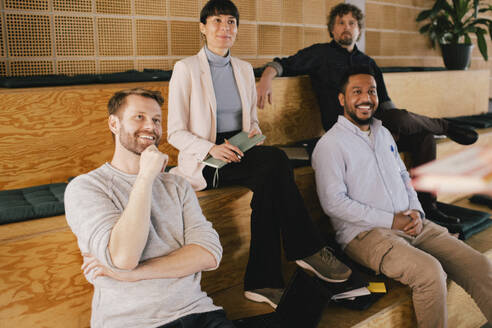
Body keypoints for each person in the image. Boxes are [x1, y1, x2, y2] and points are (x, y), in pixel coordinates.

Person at [167, 0, 351, 309]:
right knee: (276, 165)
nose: (225, 28)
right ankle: (305, 248)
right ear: (203, 27)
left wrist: (252, 135)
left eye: (231, 22)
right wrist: (212, 148)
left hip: (239, 150)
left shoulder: (241, 70)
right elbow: (174, 132)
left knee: (270, 179)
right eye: (217, 21)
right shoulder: (185, 69)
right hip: (205, 159)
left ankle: (262, 284)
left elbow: (251, 121)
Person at [257, 3, 479, 225]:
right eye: (341, 23)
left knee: (422, 137)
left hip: (378, 129)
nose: (346, 27)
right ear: (332, 30)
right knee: (404, 122)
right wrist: (266, 79)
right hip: (344, 133)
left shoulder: (368, 62)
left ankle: (428, 207)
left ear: (359, 29)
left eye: (352, 23)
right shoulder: (319, 54)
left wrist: (395, 129)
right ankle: (445, 126)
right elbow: (283, 64)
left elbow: (386, 104)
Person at [311, 65, 492, 328]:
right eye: (357, 91)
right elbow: (333, 203)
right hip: (365, 234)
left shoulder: (383, 133)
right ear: (342, 99)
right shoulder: (330, 145)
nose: (366, 97)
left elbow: (404, 177)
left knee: (479, 265)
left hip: (412, 222)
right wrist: (391, 220)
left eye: (371, 91)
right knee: (430, 273)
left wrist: (417, 211)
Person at [64, 88, 234, 328]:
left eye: (156, 120)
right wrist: (145, 177)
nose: (150, 126)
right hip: (133, 322)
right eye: (139, 117)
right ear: (114, 123)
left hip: (199, 312)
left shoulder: (177, 185)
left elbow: (208, 253)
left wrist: (132, 275)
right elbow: (123, 257)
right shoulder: (86, 187)